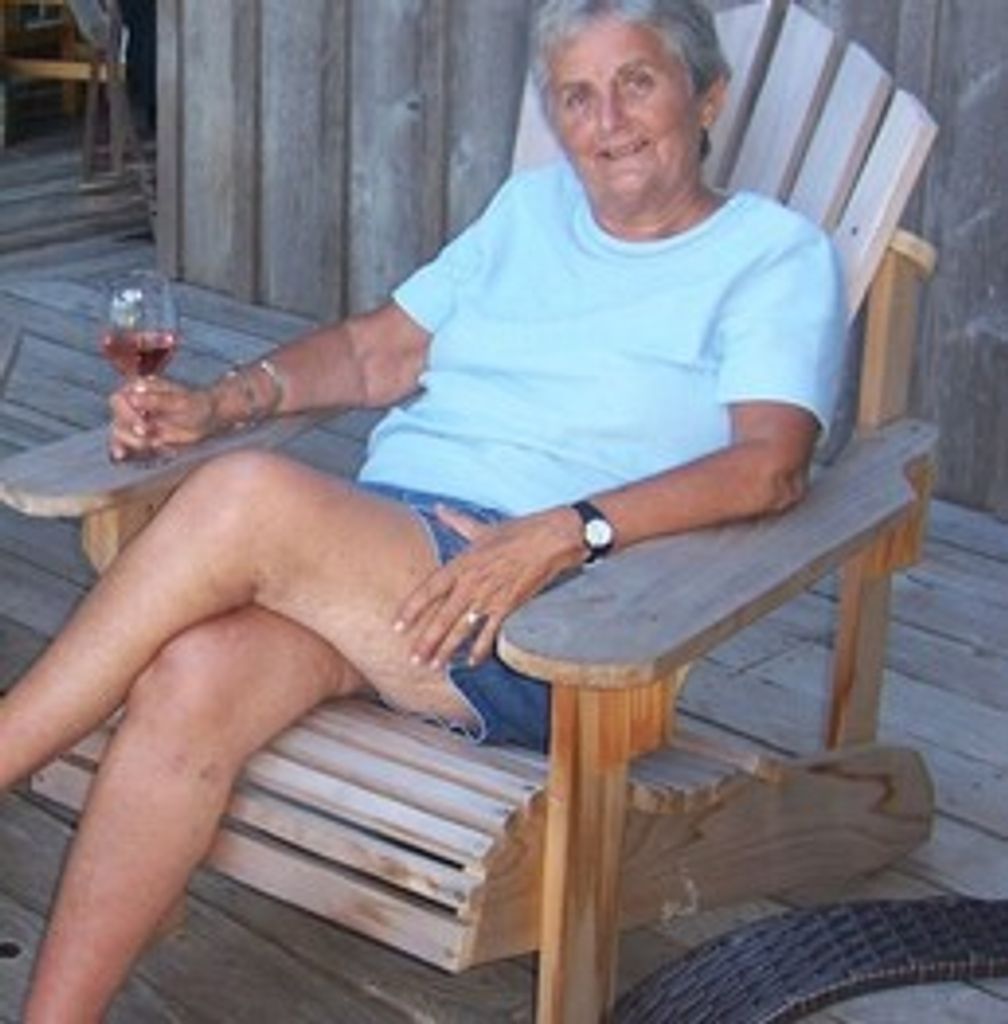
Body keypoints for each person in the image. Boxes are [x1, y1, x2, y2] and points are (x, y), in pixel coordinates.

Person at [4, 0, 844, 1017]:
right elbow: (375, 353)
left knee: (243, 494)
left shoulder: (773, 255)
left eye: (638, 83)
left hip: (550, 618)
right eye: (577, 96)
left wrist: (569, 530)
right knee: (193, 676)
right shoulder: (530, 212)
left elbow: (770, 466)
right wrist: (221, 403)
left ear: (706, 98)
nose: (609, 121)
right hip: (385, 569)